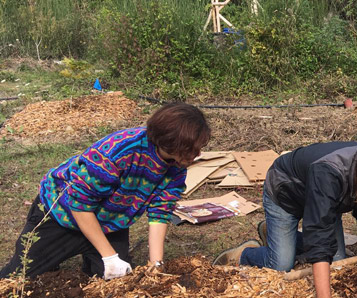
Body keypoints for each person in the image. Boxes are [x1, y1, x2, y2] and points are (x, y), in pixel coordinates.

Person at [0, 103, 211, 281]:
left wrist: (156, 264)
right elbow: (78, 203)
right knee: (19, 277)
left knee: (119, 283)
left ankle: (91, 262)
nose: (198, 154)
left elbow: (161, 211)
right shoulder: (119, 150)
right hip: (61, 214)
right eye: (193, 148)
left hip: (111, 221)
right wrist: (109, 257)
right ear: (172, 143)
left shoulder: (177, 165)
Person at [213, 142, 357, 298]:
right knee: (281, 264)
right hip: (285, 194)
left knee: (337, 263)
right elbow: (318, 233)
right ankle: (245, 253)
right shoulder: (329, 173)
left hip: (325, 200)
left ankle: (278, 235)